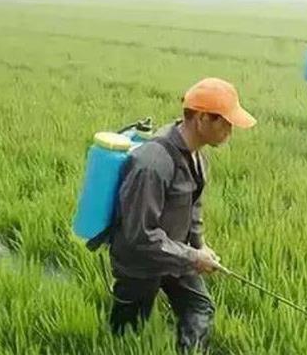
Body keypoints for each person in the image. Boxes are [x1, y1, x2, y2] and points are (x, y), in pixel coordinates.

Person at [108, 77, 256, 353]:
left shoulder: (197, 156)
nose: (230, 132)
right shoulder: (152, 164)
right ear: (202, 119)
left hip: (175, 253)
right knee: (127, 333)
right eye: (225, 123)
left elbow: (193, 205)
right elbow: (140, 235)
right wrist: (192, 257)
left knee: (200, 309)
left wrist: (199, 245)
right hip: (140, 263)